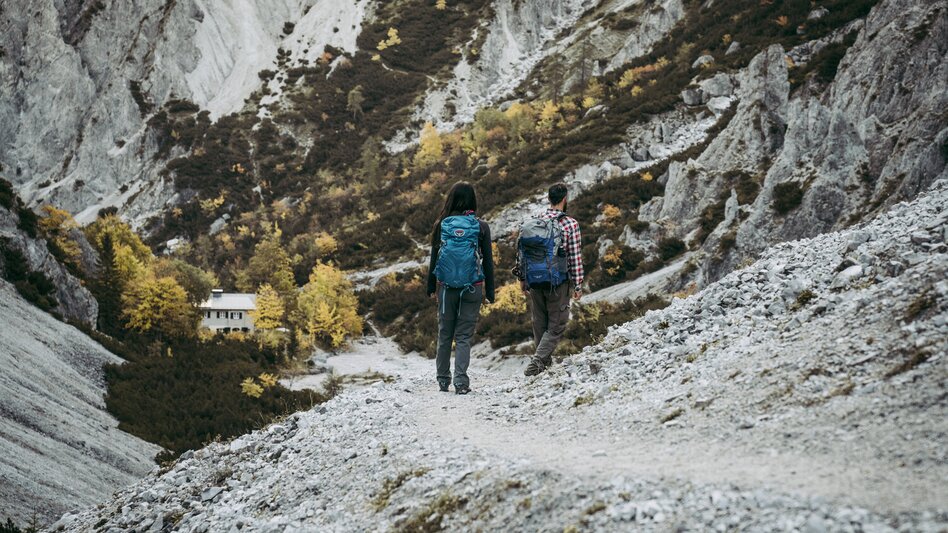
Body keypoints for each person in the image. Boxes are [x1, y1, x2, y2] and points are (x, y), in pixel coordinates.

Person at [427, 182, 495, 394]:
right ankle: (461, 383)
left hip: (446, 287)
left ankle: (442, 380)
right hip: (473, 286)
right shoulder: (481, 226)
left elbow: (434, 258)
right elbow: (488, 262)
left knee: (445, 333)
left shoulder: (442, 224)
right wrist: (491, 291)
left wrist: (431, 286)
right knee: (464, 336)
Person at [517, 183, 583, 376]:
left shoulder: (534, 221)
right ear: (565, 199)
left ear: (548, 199)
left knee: (540, 323)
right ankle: (537, 364)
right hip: (558, 282)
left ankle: (542, 368)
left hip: (535, 280)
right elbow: (574, 256)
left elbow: (521, 252)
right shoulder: (570, 224)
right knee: (557, 325)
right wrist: (578, 284)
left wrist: (522, 278)